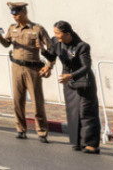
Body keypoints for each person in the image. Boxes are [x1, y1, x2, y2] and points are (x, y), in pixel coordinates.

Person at [0, 2, 52, 142]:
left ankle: (42, 132)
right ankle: (20, 129)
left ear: (25, 12)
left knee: (37, 102)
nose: (15, 17)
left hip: (33, 68)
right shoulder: (12, 28)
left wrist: (49, 65)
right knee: (17, 100)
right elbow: (7, 43)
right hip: (17, 67)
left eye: (18, 14)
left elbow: (51, 49)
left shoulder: (37, 29)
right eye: (13, 14)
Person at [44, 21, 101, 154]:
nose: (55, 35)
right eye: (55, 33)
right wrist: (42, 50)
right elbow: (51, 56)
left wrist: (71, 75)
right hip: (69, 82)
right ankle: (77, 142)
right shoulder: (56, 42)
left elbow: (86, 67)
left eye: (58, 33)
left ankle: (91, 144)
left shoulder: (82, 46)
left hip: (84, 82)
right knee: (73, 111)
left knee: (87, 112)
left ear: (67, 34)